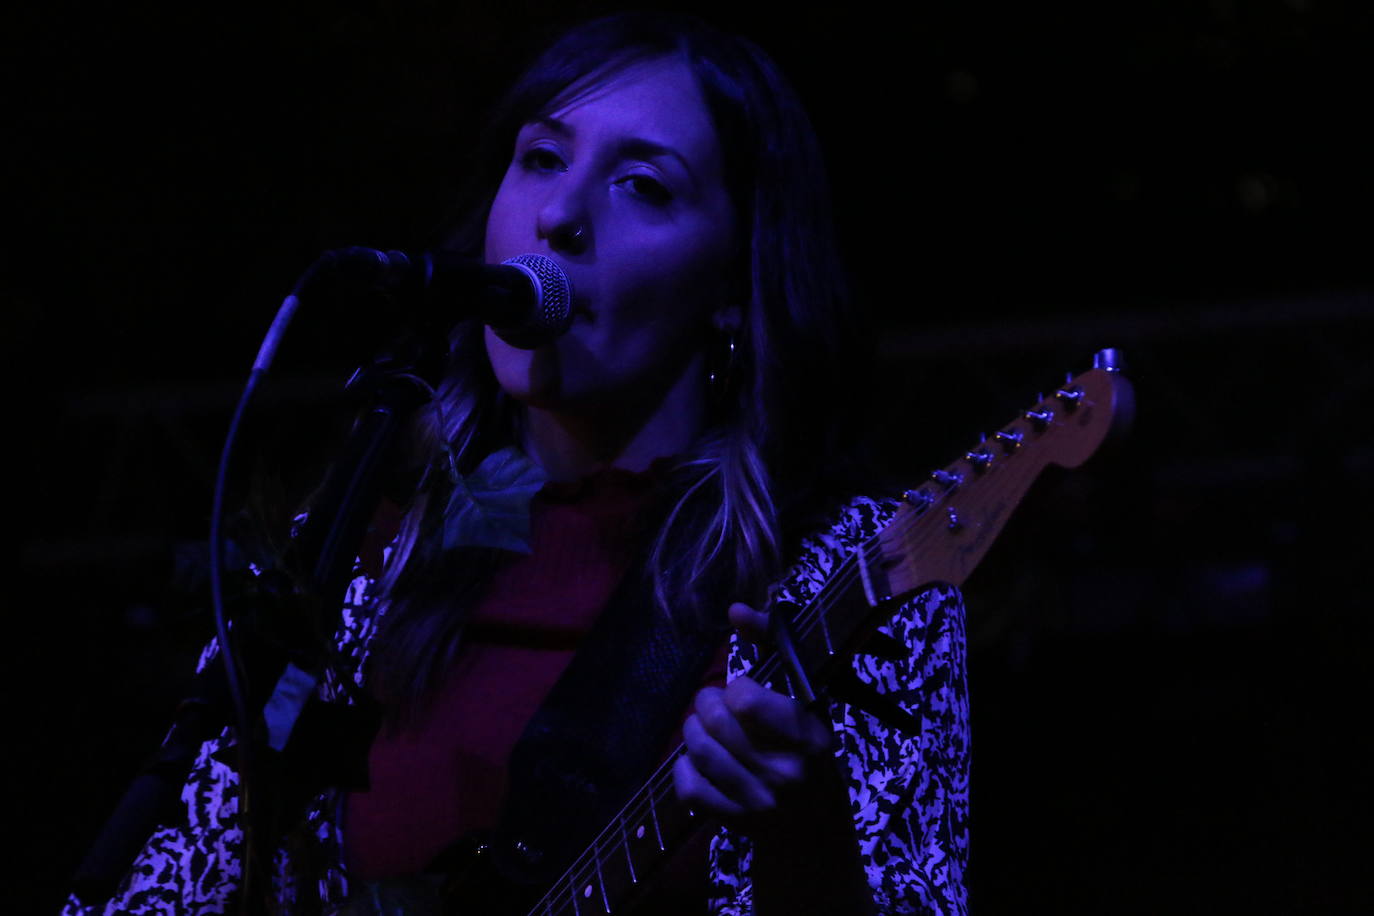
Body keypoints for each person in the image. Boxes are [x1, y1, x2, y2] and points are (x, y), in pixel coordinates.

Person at [62, 12, 969, 916]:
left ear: (734, 286)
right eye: (541, 158)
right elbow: (176, 879)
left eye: (643, 186)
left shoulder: (858, 576)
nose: (562, 215)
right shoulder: (360, 554)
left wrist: (806, 828)